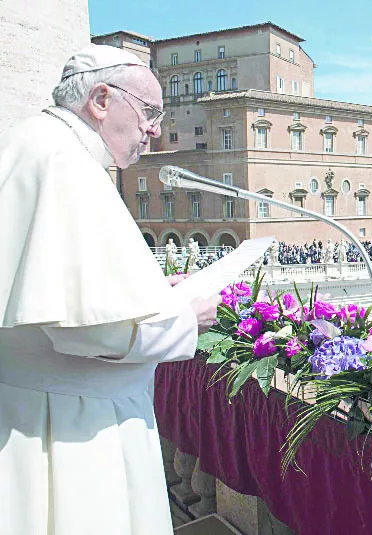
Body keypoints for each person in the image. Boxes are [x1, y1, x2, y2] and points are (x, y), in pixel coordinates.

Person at [0, 45, 220, 534]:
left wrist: (149, 289)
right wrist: (185, 317)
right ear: (101, 99)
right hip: (72, 429)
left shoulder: (38, 144)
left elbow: (70, 288)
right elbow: (85, 332)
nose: (155, 130)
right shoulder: (64, 160)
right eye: (149, 113)